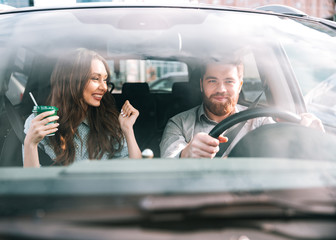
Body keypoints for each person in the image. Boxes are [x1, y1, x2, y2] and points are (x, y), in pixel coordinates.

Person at [160, 57, 325, 159]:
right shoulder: (179, 123)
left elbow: (284, 151)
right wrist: (185, 154)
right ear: (201, 85)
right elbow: (167, 165)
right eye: (212, 81)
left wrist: (312, 137)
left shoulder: (260, 121)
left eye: (229, 81)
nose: (221, 89)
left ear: (240, 86)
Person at [23, 48, 141, 167]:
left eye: (105, 80)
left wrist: (127, 130)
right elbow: (30, 182)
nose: (104, 87)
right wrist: (30, 144)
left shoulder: (110, 121)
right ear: (72, 80)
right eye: (95, 78)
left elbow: (137, 170)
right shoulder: (39, 122)